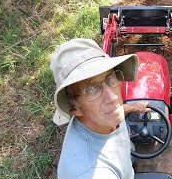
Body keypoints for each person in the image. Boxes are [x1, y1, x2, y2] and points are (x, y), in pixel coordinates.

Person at [50, 38, 150, 179]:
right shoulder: (91, 173)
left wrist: (133, 108)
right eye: (91, 89)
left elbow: (117, 108)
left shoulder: (104, 116)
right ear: (74, 107)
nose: (113, 98)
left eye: (110, 78)